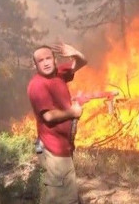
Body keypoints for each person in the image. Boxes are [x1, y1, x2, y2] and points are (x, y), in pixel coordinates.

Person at [27, 42, 88, 204]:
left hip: (62, 146)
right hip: (54, 149)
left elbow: (82, 62)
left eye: (48, 58)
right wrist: (73, 112)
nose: (46, 62)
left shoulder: (58, 74)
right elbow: (48, 116)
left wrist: (74, 52)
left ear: (55, 60)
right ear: (35, 65)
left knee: (54, 195)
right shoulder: (37, 85)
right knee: (65, 198)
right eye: (41, 61)